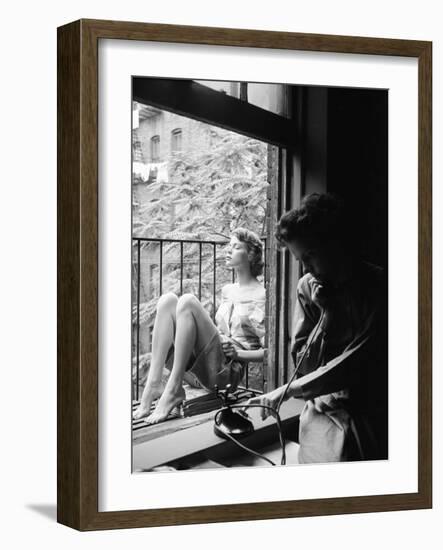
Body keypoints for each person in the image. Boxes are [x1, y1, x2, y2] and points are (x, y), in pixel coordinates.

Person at [246, 193, 388, 463]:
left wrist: (289, 390)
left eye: (311, 256)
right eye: (301, 260)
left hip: (369, 407)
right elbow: (304, 365)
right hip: (321, 405)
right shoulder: (308, 288)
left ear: (334, 243)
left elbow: (357, 362)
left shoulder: (378, 286)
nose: (307, 269)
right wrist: (327, 315)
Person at [133, 227, 266, 425]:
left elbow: (269, 352)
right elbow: (218, 331)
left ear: (252, 254)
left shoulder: (262, 294)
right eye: (228, 246)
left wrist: (239, 354)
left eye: (236, 247)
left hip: (226, 373)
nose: (228, 250)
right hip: (202, 369)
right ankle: (154, 383)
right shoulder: (227, 290)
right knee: (167, 300)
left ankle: (173, 387)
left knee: (187, 301)